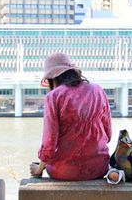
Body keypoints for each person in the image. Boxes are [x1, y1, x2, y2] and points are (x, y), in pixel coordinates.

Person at [30, 52, 112, 181]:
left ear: (52, 78)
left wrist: (39, 169)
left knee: (53, 165)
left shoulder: (54, 96)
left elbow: (50, 141)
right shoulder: (98, 90)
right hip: (99, 168)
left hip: (64, 171)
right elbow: (108, 133)